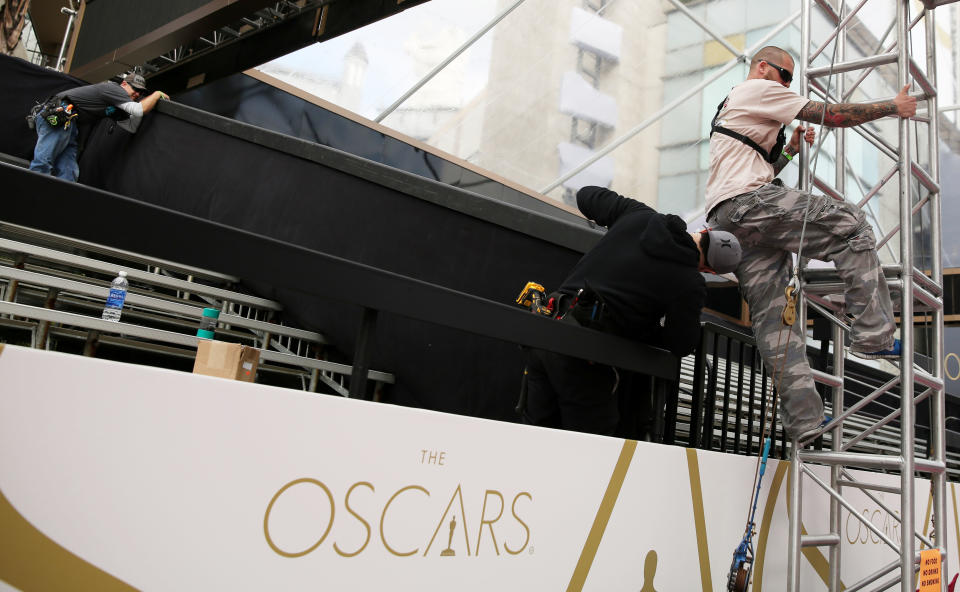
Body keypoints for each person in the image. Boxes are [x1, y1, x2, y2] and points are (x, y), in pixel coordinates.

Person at [704, 45, 917, 439]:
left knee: (774, 320)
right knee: (850, 224)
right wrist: (894, 105)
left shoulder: (734, 107)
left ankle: (803, 421)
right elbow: (832, 114)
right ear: (764, 68)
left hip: (729, 220)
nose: (787, 85)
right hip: (749, 204)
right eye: (786, 75)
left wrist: (789, 151)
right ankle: (872, 334)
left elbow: (758, 168)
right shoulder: (756, 88)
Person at [522, 185, 742, 436]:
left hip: (546, 330)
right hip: (584, 356)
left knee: (535, 437)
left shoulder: (640, 215)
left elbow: (585, 196)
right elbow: (681, 344)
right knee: (590, 446)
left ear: (703, 231)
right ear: (711, 270)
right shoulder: (689, 282)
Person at [28, 72, 168, 182]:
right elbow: (138, 110)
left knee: (68, 171)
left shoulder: (117, 106)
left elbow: (132, 126)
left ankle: (62, 200)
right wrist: (156, 95)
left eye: (141, 92)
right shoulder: (113, 89)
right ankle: (32, 192)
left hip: (69, 123)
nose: (137, 94)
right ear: (124, 84)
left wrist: (141, 104)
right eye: (135, 89)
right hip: (59, 114)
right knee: (43, 162)